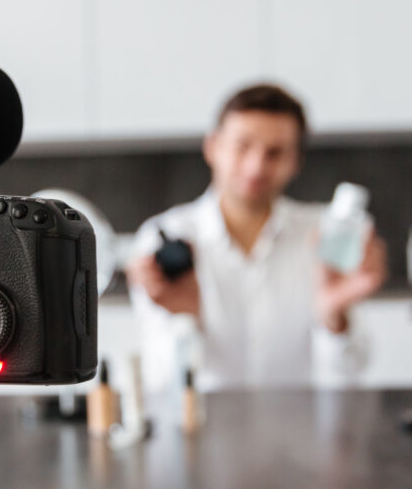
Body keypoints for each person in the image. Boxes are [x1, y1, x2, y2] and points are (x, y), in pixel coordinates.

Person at [126, 83, 387, 390]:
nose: (256, 166)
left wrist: (333, 316)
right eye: (243, 146)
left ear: (296, 162)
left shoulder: (325, 236)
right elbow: (163, 383)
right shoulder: (163, 239)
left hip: (300, 432)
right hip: (205, 431)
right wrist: (187, 319)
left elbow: (350, 376)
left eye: (275, 153)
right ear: (213, 147)